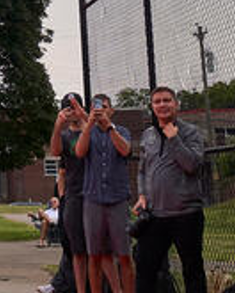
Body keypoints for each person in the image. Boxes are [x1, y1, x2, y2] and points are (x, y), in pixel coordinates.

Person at [133, 87, 207, 293]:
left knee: (192, 270)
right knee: (145, 266)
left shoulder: (191, 132)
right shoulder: (147, 135)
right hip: (156, 216)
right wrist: (142, 195)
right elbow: (142, 170)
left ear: (176, 104)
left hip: (187, 214)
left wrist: (174, 139)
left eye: (167, 100)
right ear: (152, 106)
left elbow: (192, 166)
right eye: (157, 101)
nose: (162, 105)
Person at [77, 94, 133, 293]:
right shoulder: (88, 132)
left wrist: (109, 126)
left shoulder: (122, 131)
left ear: (111, 110)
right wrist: (89, 124)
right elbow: (79, 152)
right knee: (95, 255)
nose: (100, 111)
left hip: (117, 199)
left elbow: (125, 150)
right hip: (93, 199)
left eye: (104, 107)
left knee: (124, 254)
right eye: (95, 107)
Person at [43, 93, 90, 293]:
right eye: (67, 108)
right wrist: (58, 125)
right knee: (75, 248)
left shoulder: (91, 128)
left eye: (74, 107)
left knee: (97, 249)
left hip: (95, 193)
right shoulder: (64, 135)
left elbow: (99, 135)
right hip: (74, 194)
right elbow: (55, 152)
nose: (72, 112)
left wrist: (85, 116)